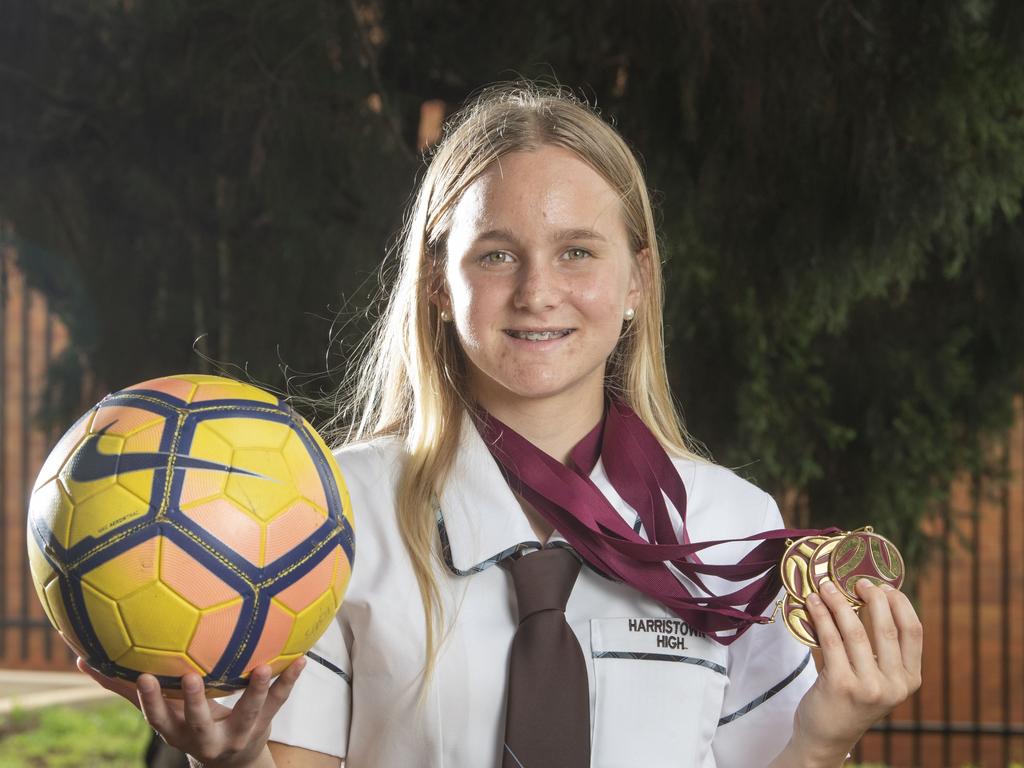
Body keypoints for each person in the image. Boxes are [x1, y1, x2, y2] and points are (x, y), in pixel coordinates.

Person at [82, 82, 922, 768]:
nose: (536, 290)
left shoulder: (732, 528)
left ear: (637, 280)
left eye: (578, 251)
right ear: (439, 284)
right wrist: (231, 763)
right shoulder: (327, 512)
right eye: (495, 253)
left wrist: (822, 740)